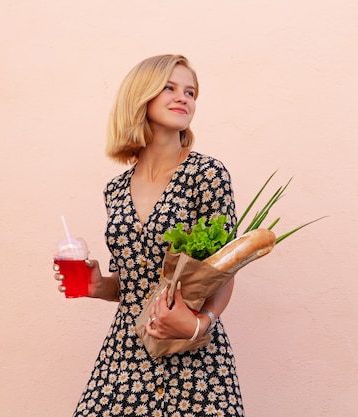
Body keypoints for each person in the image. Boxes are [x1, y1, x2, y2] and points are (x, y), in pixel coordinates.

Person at [54, 54, 245, 416]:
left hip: (193, 359)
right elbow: (131, 283)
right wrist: (100, 286)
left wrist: (201, 323)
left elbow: (226, 267)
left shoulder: (207, 174)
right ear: (141, 97)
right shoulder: (115, 189)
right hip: (125, 352)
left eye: (190, 92)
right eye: (169, 88)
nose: (183, 98)